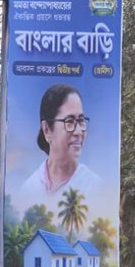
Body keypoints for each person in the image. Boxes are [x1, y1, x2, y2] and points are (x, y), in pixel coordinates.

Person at [13, 83, 100, 213]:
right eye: (69, 121)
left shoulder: (96, 188)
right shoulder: (29, 188)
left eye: (81, 121)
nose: (78, 131)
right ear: (47, 129)